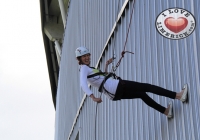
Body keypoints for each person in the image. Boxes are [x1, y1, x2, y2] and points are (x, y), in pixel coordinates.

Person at [75, 46, 188, 118]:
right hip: (115, 86)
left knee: (141, 95)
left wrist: (106, 66)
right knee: (147, 87)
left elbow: (100, 80)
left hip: (112, 94)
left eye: (87, 55)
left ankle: (165, 111)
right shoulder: (83, 68)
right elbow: (82, 84)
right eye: (83, 56)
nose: (86, 58)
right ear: (79, 59)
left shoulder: (88, 69)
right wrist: (93, 97)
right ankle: (178, 95)